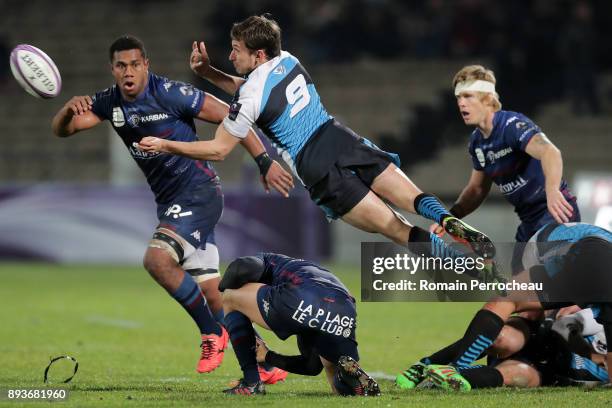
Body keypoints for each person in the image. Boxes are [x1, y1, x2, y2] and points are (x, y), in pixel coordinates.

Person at [136, 15, 496, 262]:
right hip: (340, 138)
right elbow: (255, 92)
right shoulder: (289, 59)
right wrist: (209, 73)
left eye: (236, 50)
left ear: (257, 54)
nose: (230, 56)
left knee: (398, 230)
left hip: (316, 166)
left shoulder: (249, 97)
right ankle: (452, 223)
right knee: (414, 198)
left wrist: (166, 145)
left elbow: (217, 149)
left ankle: (463, 265)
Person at [51, 35, 293, 375]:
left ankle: (211, 332)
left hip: (198, 193)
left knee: (158, 260)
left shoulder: (171, 93)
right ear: (113, 70)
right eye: (121, 66)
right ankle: (266, 363)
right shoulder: (109, 102)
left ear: (146, 65)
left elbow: (232, 115)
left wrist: (264, 161)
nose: (129, 72)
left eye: (135, 64)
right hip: (170, 203)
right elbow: (66, 129)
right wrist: (66, 110)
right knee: (216, 296)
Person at [396, 222, 612, 389]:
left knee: (515, 358)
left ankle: (443, 370)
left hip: (550, 364)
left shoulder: (596, 371)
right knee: (507, 338)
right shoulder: (589, 323)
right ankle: (445, 368)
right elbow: (564, 323)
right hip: (559, 271)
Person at [430, 65, 581, 272]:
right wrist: (450, 218)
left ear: (487, 98)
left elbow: (550, 152)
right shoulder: (476, 143)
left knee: (547, 290)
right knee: (520, 294)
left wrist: (553, 190)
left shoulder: (511, 125)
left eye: (468, 96)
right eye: (458, 98)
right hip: (528, 222)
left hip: (554, 214)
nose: (461, 103)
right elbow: (476, 190)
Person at [218, 253, 381, 396]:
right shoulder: (306, 267)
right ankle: (347, 386)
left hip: (300, 297)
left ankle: (251, 384)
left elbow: (242, 268)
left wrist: (221, 287)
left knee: (230, 298)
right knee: (333, 371)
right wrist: (267, 356)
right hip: (343, 307)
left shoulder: (268, 261)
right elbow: (311, 366)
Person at [414, 309, 609, 391]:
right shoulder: (605, 316)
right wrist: (590, 354)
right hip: (540, 338)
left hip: (548, 372)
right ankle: (425, 365)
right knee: (502, 338)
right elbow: (564, 324)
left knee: (518, 374)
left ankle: (449, 379)